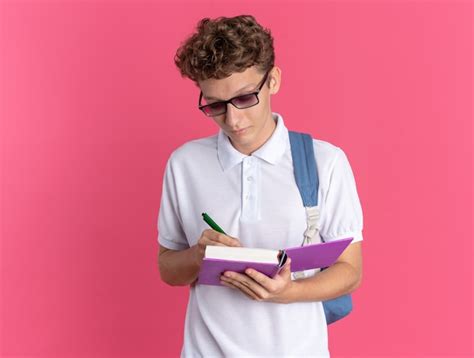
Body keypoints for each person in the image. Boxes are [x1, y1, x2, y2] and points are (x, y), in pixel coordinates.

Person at [157, 14, 363, 357]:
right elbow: (167, 267)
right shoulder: (184, 164)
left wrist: (287, 292)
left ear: (274, 81)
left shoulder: (326, 163)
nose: (233, 120)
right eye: (215, 105)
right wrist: (198, 256)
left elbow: (351, 271)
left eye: (244, 98)